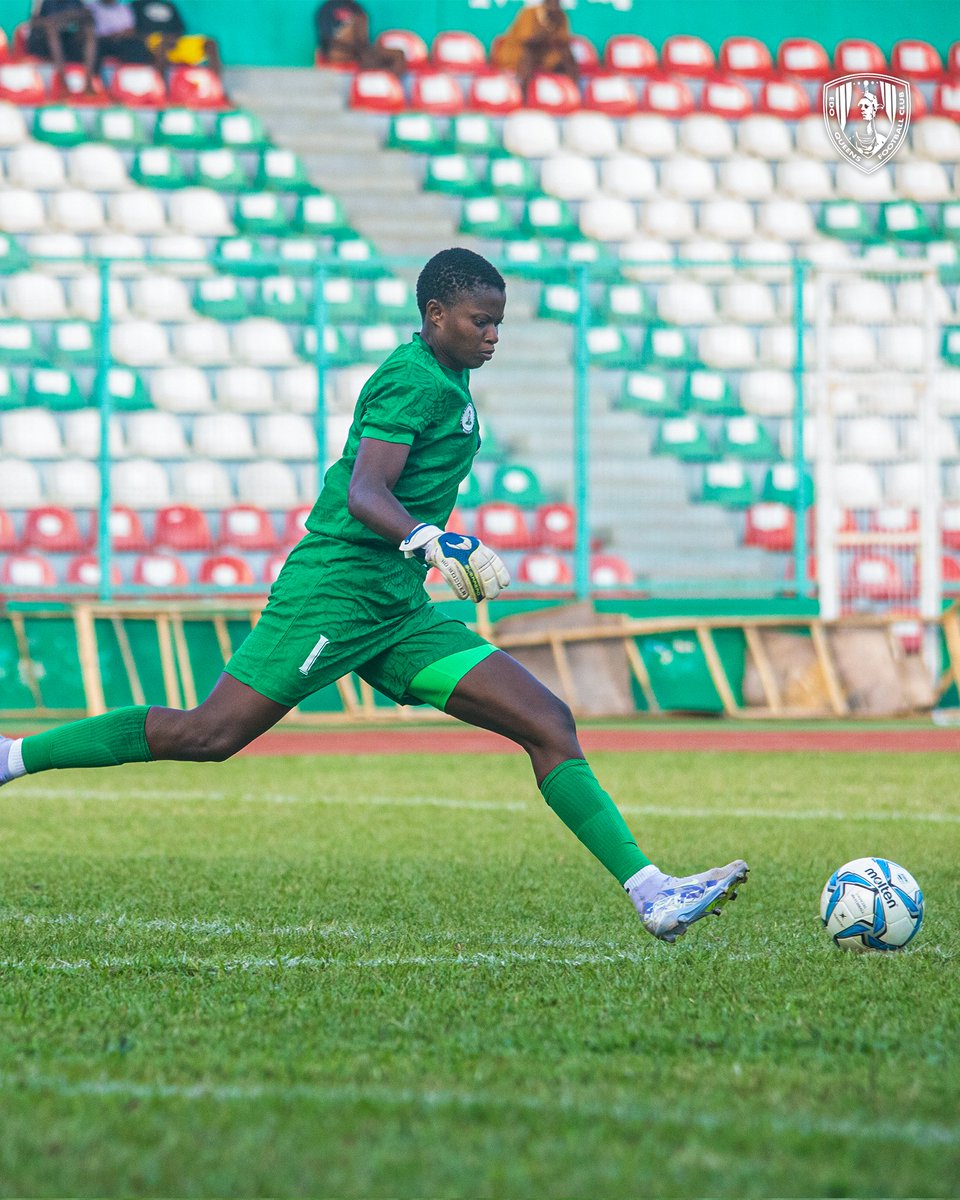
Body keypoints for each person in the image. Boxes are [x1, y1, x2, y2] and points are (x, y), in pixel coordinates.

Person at [0, 248, 748, 944]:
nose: (492, 335)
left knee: (547, 720)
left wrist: (427, 548)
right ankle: (13, 756)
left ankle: (652, 892)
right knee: (210, 735)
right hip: (336, 594)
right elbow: (365, 491)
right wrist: (432, 539)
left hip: (395, 608)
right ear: (435, 316)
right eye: (479, 321)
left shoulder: (447, 380)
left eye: (498, 322)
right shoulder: (411, 378)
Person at [490, 0, 579, 93]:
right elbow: (527, 40)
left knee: (568, 57)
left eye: (556, 3)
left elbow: (563, 42)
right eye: (550, 3)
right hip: (519, 53)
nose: (553, 5)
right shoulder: (530, 13)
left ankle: (572, 93)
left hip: (544, 55)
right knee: (528, 55)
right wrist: (545, 29)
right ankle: (522, 93)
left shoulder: (561, 16)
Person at [129, 0, 225, 80]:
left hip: (175, 40)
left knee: (211, 43)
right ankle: (162, 89)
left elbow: (180, 28)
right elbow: (134, 30)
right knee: (164, 42)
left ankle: (216, 88)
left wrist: (174, 38)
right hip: (153, 40)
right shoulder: (137, 5)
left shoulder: (169, 5)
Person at [314, 0, 405, 76]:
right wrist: (354, 48)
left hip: (360, 49)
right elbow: (326, 38)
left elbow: (364, 37)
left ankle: (389, 86)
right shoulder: (327, 8)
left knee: (398, 55)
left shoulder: (356, 7)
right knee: (366, 58)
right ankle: (373, 82)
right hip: (338, 50)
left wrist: (363, 49)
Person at [25, 0, 97, 94]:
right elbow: (33, 21)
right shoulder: (42, 2)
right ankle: (63, 84)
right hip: (42, 43)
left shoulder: (76, 2)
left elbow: (88, 16)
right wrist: (50, 22)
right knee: (52, 30)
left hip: (65, 42)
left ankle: (88, 83)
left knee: (88, 31)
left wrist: (69, 16)